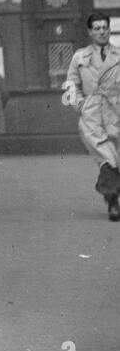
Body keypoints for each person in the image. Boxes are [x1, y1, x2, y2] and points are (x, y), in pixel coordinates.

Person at [64, 13, 120, 220]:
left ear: (109, 29)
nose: (101, 31)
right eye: (96, 28)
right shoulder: (80, 57)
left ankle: (110, 193)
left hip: (116, 112)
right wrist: (80, 105)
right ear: (90, 32)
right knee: (107, 159)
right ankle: (113, 202)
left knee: (116, 158)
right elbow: (70, 84)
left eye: (104, 27)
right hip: (92, 114)